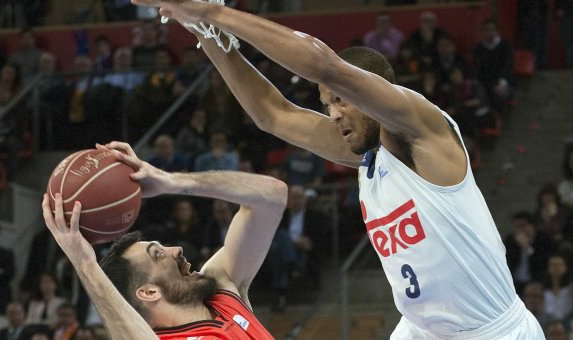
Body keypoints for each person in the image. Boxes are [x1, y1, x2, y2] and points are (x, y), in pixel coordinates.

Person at [141, 1, 544, 338]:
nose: (332, 113)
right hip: (422, 329)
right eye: (325, 103)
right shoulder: (364, 153)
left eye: (340, 100)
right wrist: (201, 29)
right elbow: (272, 114)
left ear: (370, 90)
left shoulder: (422, 132)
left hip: (494, 332)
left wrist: (210, 10)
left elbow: (324, 65)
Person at [41, 141, 287, 339]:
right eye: (158, 254)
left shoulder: (221, 289)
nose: (177, 249)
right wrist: (85, 264)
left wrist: (172, 181)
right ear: (148, 292)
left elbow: (272, 196)